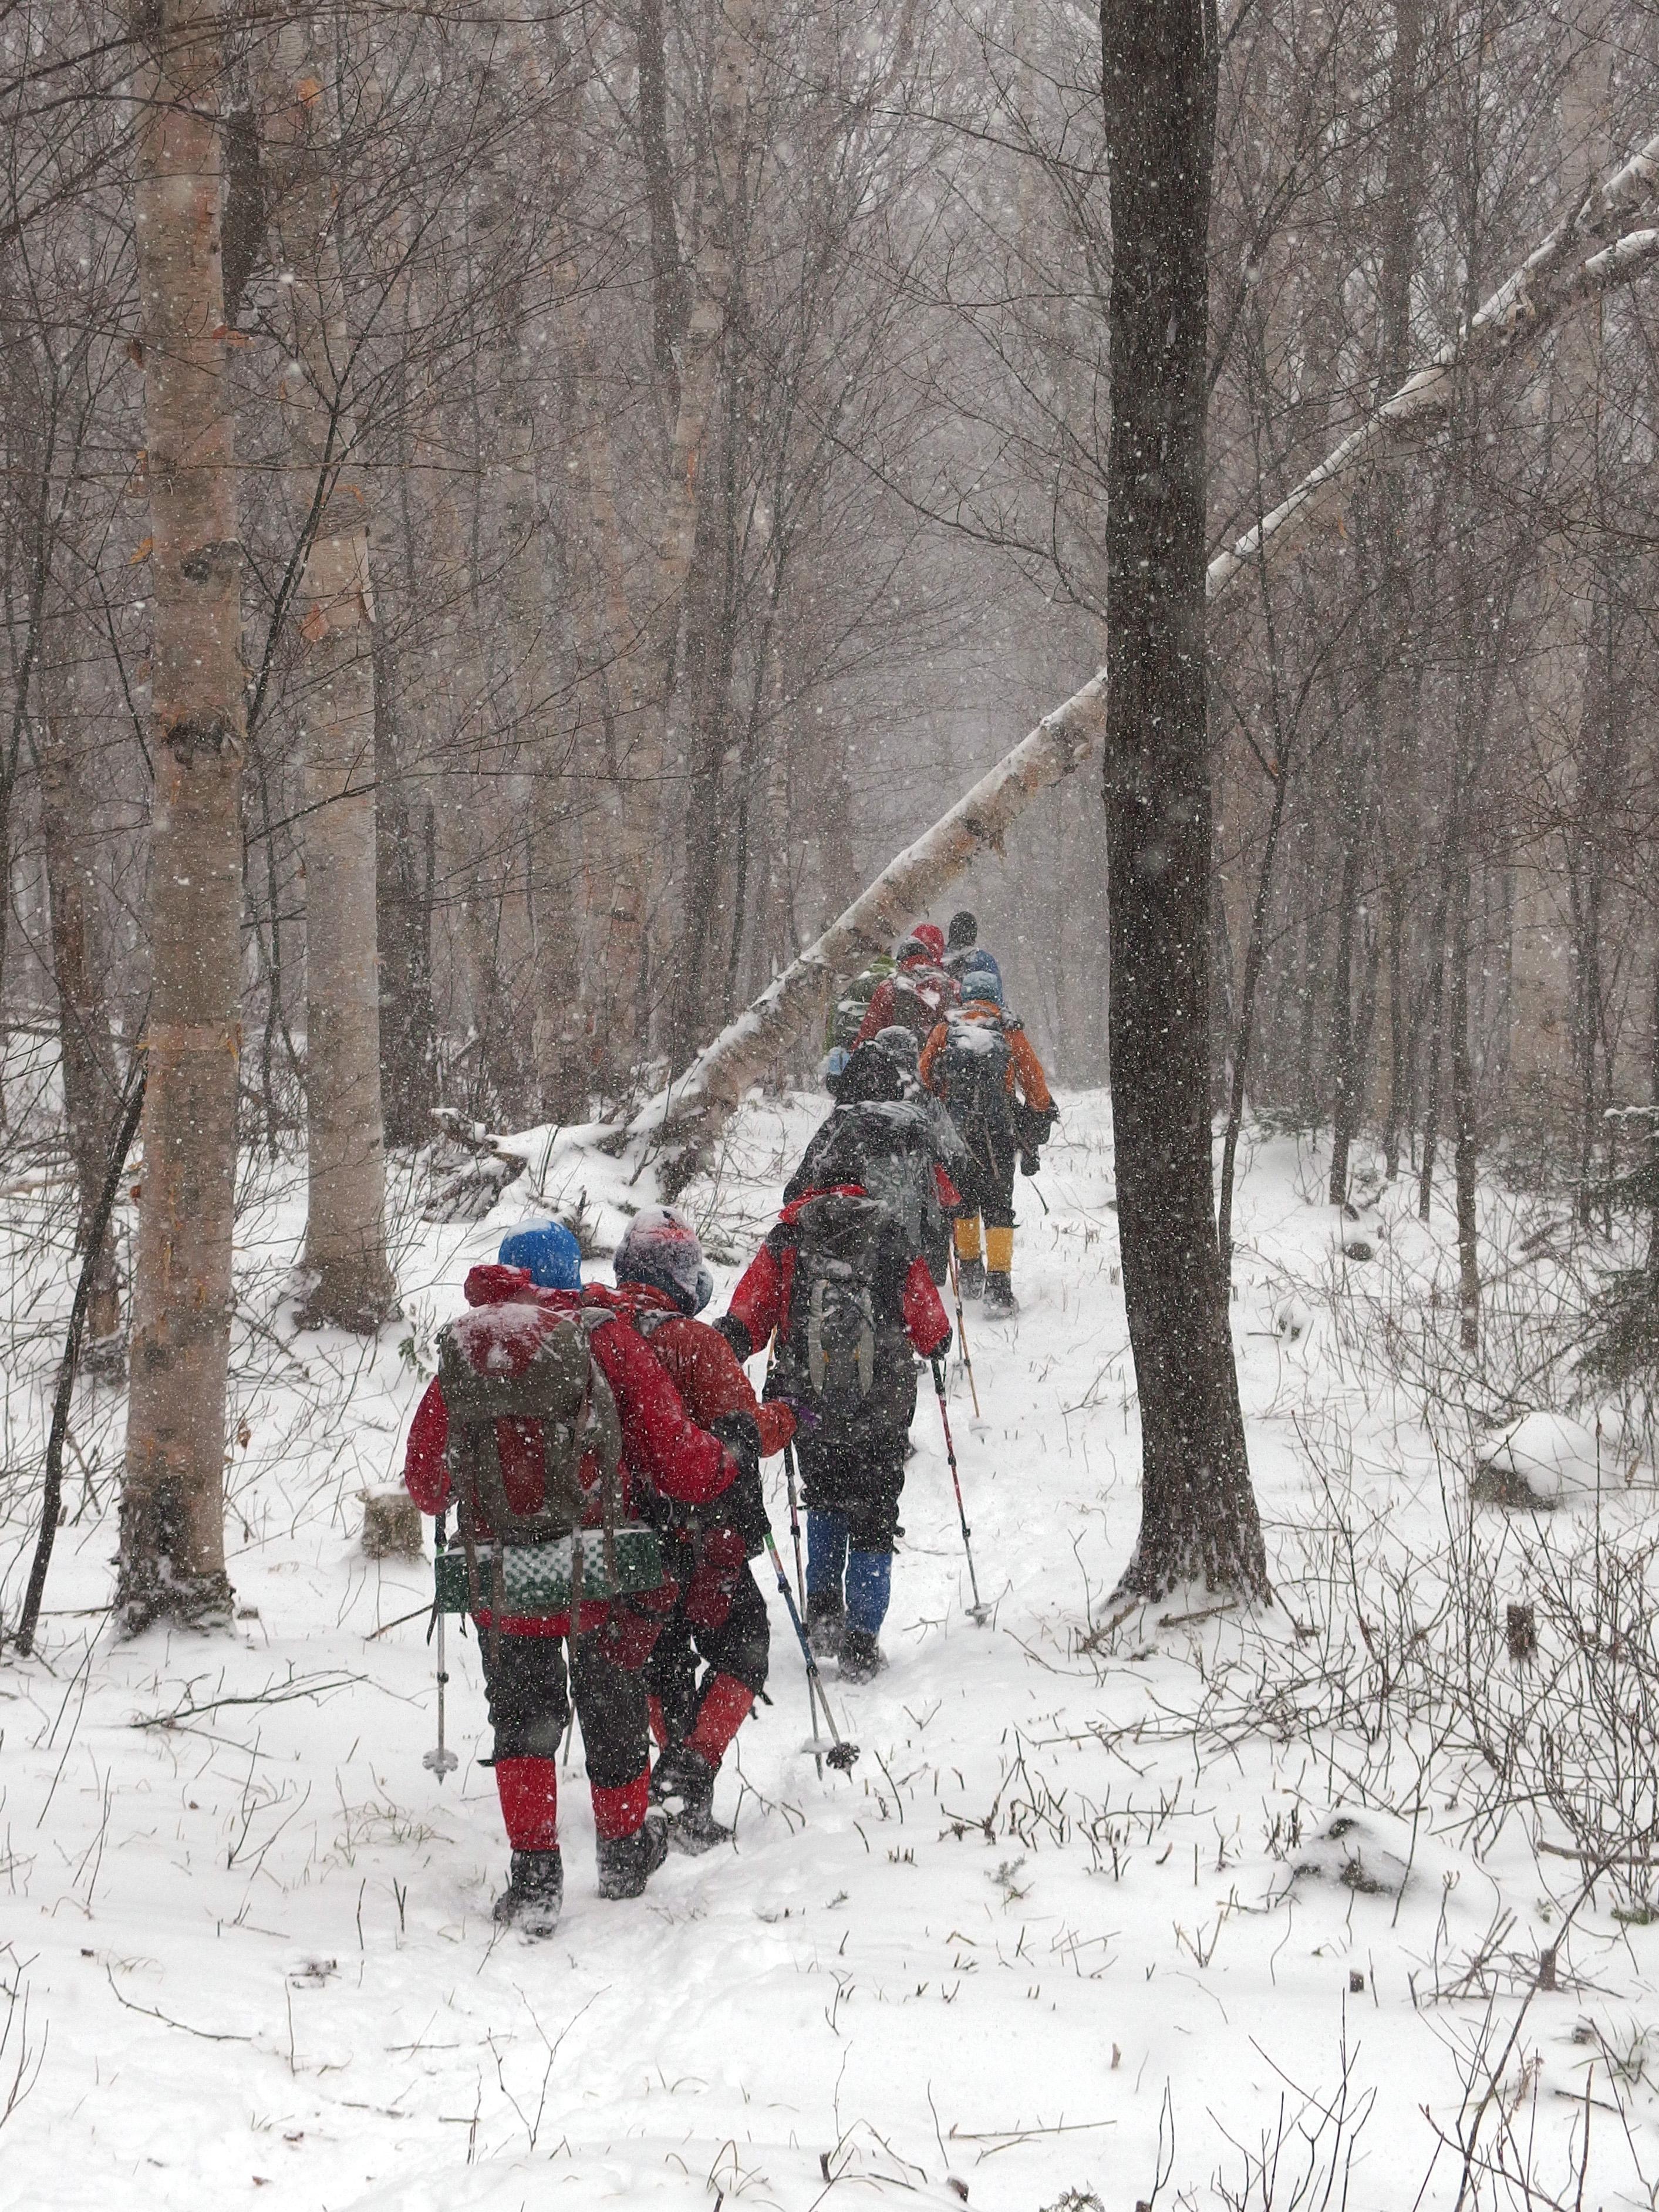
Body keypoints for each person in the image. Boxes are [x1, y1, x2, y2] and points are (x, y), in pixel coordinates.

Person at [403, 1226, 744, 1936]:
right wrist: (726, 1463)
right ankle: (622, 1854)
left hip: (506, 1576)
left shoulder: (469, 1349)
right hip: (598, 1572)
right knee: (613, 1701)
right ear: (571, 1272)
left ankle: (534, 1879)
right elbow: (676, 1456)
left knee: (524, 1717)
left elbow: (427, 1487)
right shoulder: (606, 1338)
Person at [594, 1207, 793, 1851]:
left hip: (618, 1530)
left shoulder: (594, 1335)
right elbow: (744, 1433)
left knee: (660, 1658)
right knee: (743, 1645)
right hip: (702, 1529)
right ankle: (692, 1768)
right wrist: (787, 1418)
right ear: (683, 1276)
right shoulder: (693, 1343)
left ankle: (670, 1770)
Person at [716, 1181, 950, 1683]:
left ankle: (822, 1614)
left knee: (823, 1497)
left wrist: (728, 1344)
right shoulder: (889, 1235)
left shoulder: (789, 1239)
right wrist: (938, 1342)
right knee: (875, 1513)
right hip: (882, 1405)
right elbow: (930, 1324)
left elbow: (748, 1318)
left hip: (809, 1402)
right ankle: (862, 1642)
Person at [919, 967, 1056, 1315]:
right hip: (998, 1133)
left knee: (964, 1203)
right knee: (998, 1206)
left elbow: (923, 1079)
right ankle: (999, 1287)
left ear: (964, 995)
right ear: (997, 995)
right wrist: (1037, 1117)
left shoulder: (946, 1030)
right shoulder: (1009, 1031)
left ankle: (968, 1272)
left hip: (957, 1133)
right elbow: (1035, 1084)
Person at [787, 1033, 963, 1283]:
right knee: (903, 1290)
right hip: (907, 1236)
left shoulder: (842, 1120)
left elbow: (798, 1185)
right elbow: (951, 1154)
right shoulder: (914, 1111)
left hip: (849, 1243)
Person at [852, 927, 959, 1051]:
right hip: (936, 1061)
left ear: (901, 960)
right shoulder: (950, 985)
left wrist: (856, 1054)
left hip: (898, 1060)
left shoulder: (888, 988)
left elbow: (869, 1031)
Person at [825, 950, 895, 1057]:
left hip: (850, 1043)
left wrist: (828, 1049)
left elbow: (835, 1016)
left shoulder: (851, 979)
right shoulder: (897, 979)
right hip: (886, 1047)